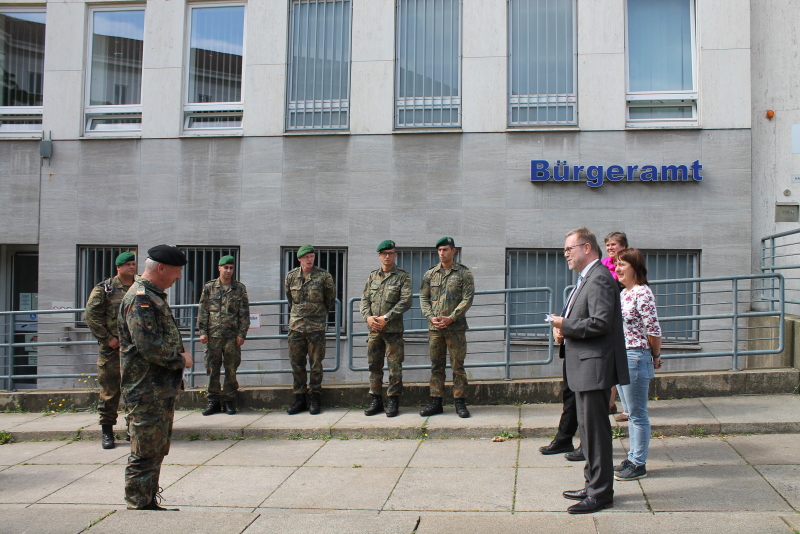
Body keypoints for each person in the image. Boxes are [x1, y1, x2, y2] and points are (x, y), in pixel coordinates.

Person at [548, 227, 629, 514]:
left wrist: (563, 325)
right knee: (588, 431)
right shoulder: (588, 278)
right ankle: (593, 484)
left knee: (595, 432)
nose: (566, 254)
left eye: (570, 248)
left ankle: (601, 493)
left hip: (594, 368)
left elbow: (600, 323)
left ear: (587, 248)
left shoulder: (598, 279)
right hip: (583, 367)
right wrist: (565, 332)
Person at [118, 245, 192, 511]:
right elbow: (147, 344)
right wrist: (180, 358)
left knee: (155, 447)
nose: (179, 277)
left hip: (157, 387)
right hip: (146, 388)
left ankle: (146, 499)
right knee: (145, 449)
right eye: (177, 271)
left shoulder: (153, 295)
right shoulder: (141, 298)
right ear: (161, 268)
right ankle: (139, 502)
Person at [613, 248, 662, 482]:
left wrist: (655, 355)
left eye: (622, 264)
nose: (617, 269)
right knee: (631, 413)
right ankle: (632, 457)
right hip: (622, 357)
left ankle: (638, 463)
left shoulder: (643, 293)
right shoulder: (624, 293)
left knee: (638, 414)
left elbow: (653, 330)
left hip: (637, 355)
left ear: (635, 267)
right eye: (616, 264)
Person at [85, 251, 137, 449]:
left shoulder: (140, 287)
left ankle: (133, 431)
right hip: (112, 350)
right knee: (110, 392)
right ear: (119, 268)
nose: (132, 267)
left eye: (133, 263)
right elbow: (91, 316)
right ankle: (107, 432)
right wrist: (108, 339)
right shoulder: (105, 289)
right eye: (128, 264)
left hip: (135, 349)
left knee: (135, 391)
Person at [419, 237, 475, 418]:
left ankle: (460, 402)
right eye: (440, 250)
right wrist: (431, 317)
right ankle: (436, 401)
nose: (442, 253)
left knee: (458, 366)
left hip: (456, 328)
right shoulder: (430, 274)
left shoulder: (464, 274)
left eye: (445, 250)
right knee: (437, 366)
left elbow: (467, 299)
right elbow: (423, 298)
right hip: (435, 329)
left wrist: (451, 318)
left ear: (454, 251)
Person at [360, 240, 412, 417]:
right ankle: (376, 400)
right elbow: (364, 300)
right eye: (384, 253)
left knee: (394, 367)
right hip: (374, 330)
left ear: (395, 255)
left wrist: (386, 317)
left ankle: (393, 401)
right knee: (374, 366)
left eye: (391, 253)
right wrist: (368, 317)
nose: (387, 256)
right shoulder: (373, 276)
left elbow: (406, 301)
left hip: (393, 331)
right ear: (379, 256)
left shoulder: (402, 277)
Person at [284, 245, 336, 415]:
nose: (309, 259)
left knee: (316, 364)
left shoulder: (324, 276)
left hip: (316, 327)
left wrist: (318, 316)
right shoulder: (291, 277)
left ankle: (315, 397)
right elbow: (291, 300)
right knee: (297, 364)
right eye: (306, 257)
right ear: (299, 259)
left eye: (312, 256)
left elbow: (330, 300)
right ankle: (299, 398)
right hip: (296, 327)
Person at [197, 255, 250, 416]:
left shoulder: (239, 288)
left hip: (232, 337)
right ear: (219, 268)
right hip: (213, 336)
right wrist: (202, 332)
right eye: (225, 267)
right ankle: (213, 401)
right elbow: (203, 310)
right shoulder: (210, 287)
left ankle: (229, 400)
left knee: (231, 370)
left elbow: (244, 314)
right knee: (212, 369)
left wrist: (242, 334)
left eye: (231, 268)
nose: (228, 270)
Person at [602, 231, 629, 419]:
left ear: (623, 247)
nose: (610, 248)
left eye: (614, 244)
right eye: (608, 245)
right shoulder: (603, 265)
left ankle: (625, 407)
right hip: (609, 315)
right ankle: (610, 404)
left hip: (623, 315)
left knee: (621, 362)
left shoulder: (627, 264)